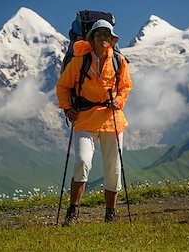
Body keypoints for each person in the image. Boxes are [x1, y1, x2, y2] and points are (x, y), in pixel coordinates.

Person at [56, 19, 133, 225]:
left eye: (106, 35)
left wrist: (119, 100)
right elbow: (63, 85)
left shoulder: (119, 60)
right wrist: (66, 107)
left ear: (111, 39)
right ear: (92, 38)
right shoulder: (80, 61)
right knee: (82, 162)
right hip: (85, 117)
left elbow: (125, 86)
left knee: (113, 166)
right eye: (98, 35)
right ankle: (73, 211)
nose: (102, 38)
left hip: (112, 118)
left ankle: (111, 213)